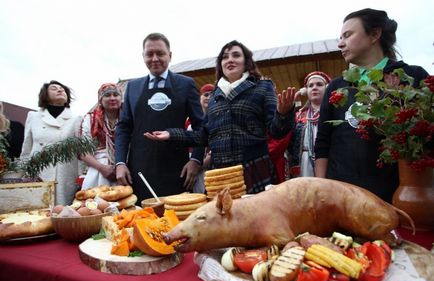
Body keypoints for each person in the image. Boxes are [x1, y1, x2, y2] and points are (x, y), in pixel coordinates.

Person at [145, 40, 296, 194]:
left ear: (246, 62)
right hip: (220, 175)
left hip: (253, 170)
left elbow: (277, 131)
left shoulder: (263, 87)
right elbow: (202, 137)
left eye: (236, 55)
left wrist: (283, 113)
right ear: (220, 64)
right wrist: (171, 134)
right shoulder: (214, 97)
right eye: (225, 57)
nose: (230, 59)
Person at [315, 8, 428, 202]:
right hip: (341, 199)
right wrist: (321, 192)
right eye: (340, 37)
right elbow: (323, 143)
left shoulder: (411, 78)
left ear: (375, 34)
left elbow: (425, 141)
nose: (341, 43)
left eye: (348, 35)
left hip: (395, 198)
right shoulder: (336, 86)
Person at [115, 33, 205, 200]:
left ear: (170, 56)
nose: (155, 58)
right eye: (149, 54)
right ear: (143, 57)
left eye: (160, 53)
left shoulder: (186, 84)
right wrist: (120, 163)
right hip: (140, 169)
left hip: (177, 169)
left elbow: (201, 127)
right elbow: (123, 128)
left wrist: (196, 161)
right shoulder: (133, 87)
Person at [20, 80, 82, 205]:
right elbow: (26, 149)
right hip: (38, 173)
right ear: (45, 95)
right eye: (54, 88)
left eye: (62, 89)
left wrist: (81, 178)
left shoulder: (76, 119)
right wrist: (23, 173)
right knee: (37, 213)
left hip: (64, 176)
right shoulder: (33, 117)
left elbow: (81, 152)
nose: (60, 90)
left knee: (64, 215)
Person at [287, 71, 331, 178]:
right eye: (310, 85)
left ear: (327, 88)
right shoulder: (298, 116)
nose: (314, 87)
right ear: (306, 91)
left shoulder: (333, 114)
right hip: (303, 162)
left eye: (319, 84)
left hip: (328, 160)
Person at [79, 83, 122, 189]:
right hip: (98, 169)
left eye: (115, 95)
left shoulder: (128, 116)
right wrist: (102, 168)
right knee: (96, 202)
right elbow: (83, 151)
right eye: (107, 95)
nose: (112, 98)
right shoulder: (90, 120)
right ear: (100, 100)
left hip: (125, 167)